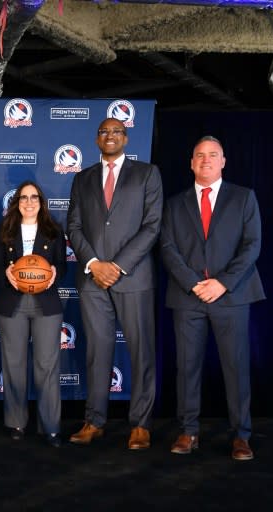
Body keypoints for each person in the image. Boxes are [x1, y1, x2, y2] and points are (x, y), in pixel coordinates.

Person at [159, 136, 265, 461]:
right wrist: (194, 284)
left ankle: (241, 435)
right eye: (200, 155)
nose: (206, 160)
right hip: (188, 297)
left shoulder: (244, 198)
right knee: (186, 367)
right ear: (191, 163)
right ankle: (188, 431)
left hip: (231, 296)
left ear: (223, 161)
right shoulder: (175, 204)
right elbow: (167, 248)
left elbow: (252, 245)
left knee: (235, 367)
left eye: (213, 155)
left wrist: (222, 283)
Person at [66, 118, 163, 450]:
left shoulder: (147, 174)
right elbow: (74, 226)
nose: (110, 136)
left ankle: (141, 424)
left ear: (126, 138)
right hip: (92, 279)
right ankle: (94, 421)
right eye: (104, 132)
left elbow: (152, 226)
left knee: (141, 352)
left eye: (117, 132)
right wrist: (94, 265)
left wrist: (117, 266)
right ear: (96, 139)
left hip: (133, 277)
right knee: (97, 352)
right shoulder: (83, 178)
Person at [0, 181, 67, 447]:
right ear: (17, 202)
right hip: (13, 303)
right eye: (24, 197)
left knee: (47, 366)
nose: (29, 202)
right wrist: (6, 275)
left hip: (46, 303)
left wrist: (55, 274)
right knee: (14, 366)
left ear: (41, 202)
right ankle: (16, 422)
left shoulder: (54, 230)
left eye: (34, 197)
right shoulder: (5, 231)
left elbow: (61, 267)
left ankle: (51, 426)